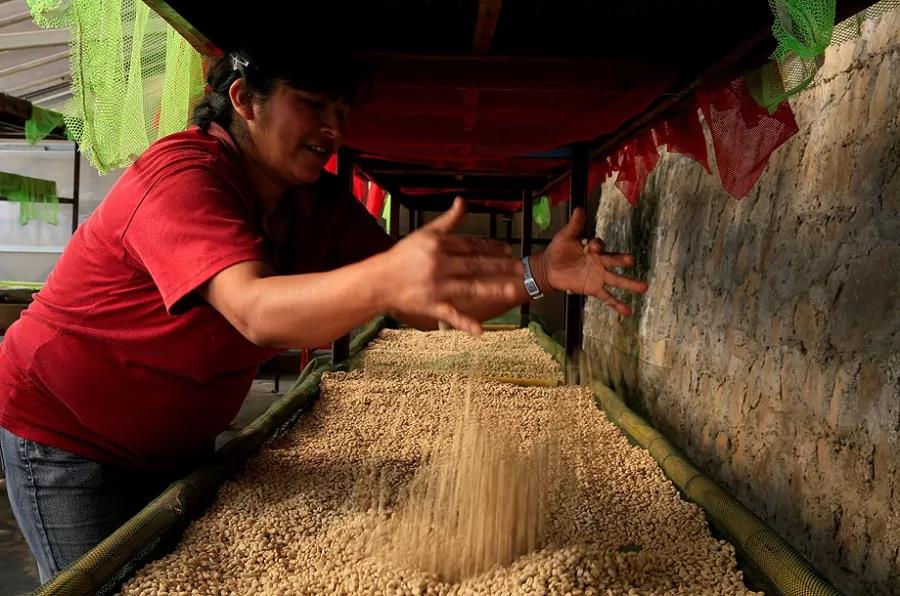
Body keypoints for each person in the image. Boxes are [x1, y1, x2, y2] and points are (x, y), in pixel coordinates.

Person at [0, 47, 648, 583]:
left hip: (174, 439)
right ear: (245, 100)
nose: (333, 128)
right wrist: (387, 277)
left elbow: (422, 298)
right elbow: (256, 311)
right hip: (66, 436)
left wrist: (540, 276)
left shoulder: (316, 204)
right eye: (312, 104)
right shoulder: (183, 176)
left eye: (339, 111)